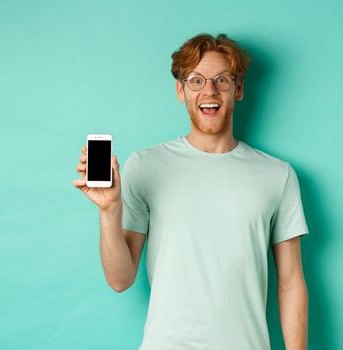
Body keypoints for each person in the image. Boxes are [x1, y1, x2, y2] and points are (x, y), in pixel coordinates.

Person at [72, 33, 309, 350]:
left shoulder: (278, 175)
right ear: (180, 90)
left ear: (238, 89)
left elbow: (291, 283)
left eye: (221, 80)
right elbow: (120, 279)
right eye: (196, 81)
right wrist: (109, 210)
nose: (209, 91)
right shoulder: (145, 165)